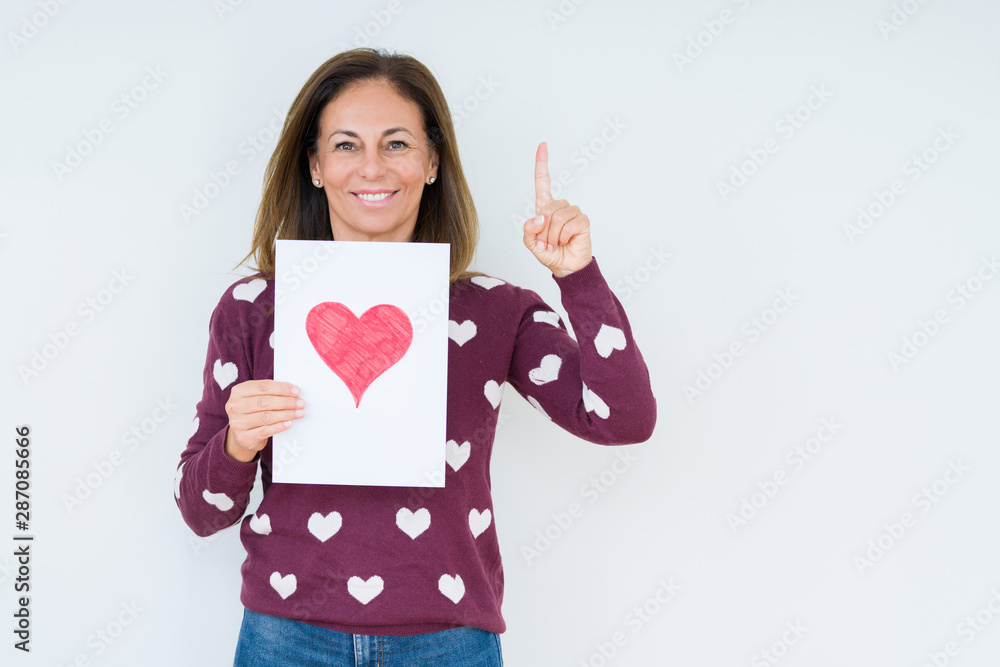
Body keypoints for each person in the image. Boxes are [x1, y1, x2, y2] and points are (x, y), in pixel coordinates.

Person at [174, 47, 657, 666]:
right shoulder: (252, 309)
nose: (372, 166)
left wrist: (578, 275)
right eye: (346, 145)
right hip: (287, 638)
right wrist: (238, 442)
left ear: (432, 162)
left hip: (448, 640)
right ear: (315, 165)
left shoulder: (498, 311)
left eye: (396, 143)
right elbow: (200, 512)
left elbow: (623, 419)